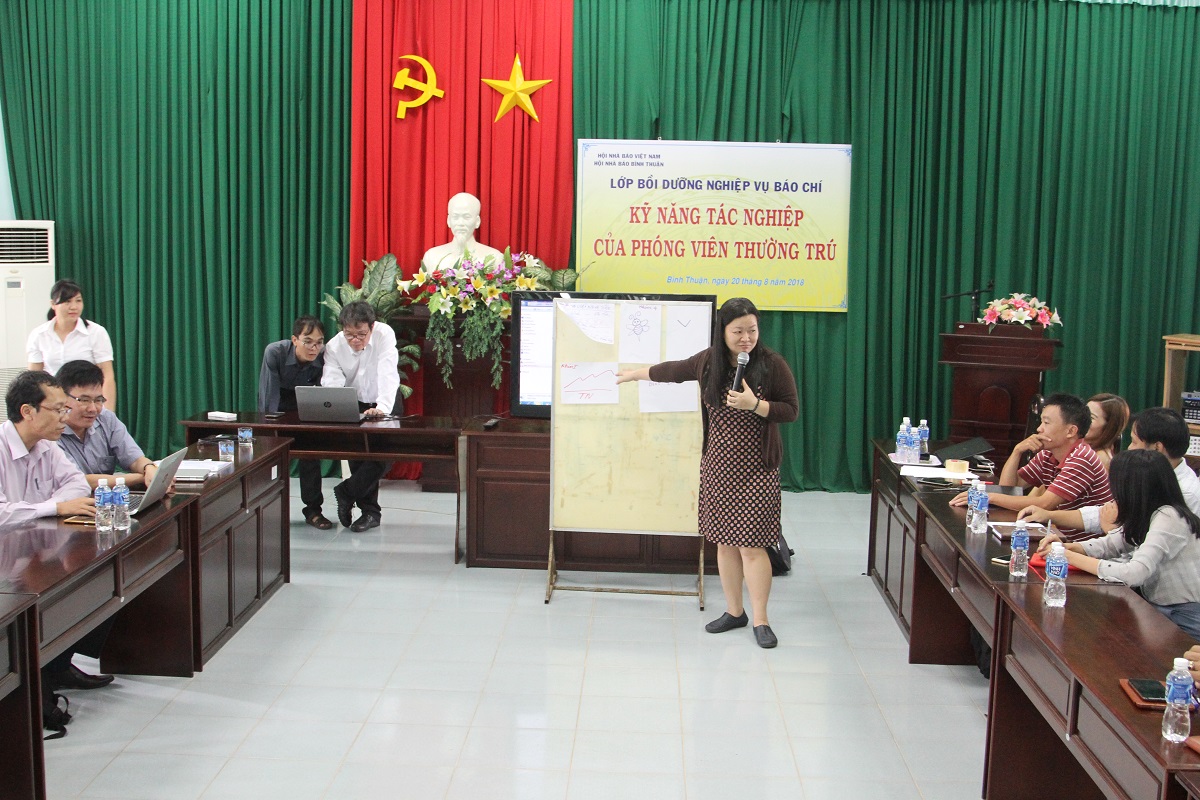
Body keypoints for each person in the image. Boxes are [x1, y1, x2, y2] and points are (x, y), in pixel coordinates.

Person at [616, 298, 798, 648]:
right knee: (725, 543)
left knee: (752, 547)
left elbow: (791, 410)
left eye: (752, 330)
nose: (746, 338)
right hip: (717, 468)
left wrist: (756, 405)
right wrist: (635, 374)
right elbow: (673, 371)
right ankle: (734, 611)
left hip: (757, 471)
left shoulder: (772, 365)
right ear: (722, 331)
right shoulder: (708, 362)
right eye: (738, 331)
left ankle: (761, 619)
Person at [0, 371, 114, 691]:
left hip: (37, 548)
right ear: (28, 411)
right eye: (58, 409)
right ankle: (37, 683)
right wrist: (54, 507)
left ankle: (58, 666)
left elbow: (76, 484)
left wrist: (52, 506)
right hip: (5, 562)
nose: (65, 416)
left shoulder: (47, 446)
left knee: (101, 579)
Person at [1030, 450, 1200, 639]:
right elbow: (1112, 544)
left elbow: (1134, 574)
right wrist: (1071, 547)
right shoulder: (1147, 510)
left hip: (1183, 616)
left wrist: (1068, 556)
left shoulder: (1169, 517)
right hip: (1157, 609)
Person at [950, 393, 1112, 539]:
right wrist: (1017, 451)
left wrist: (988, 497)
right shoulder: (1047, 453)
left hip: (1085, 545)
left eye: (1046, 423)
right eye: (1041, 421)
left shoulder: (1082, 458)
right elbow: (1008, 489)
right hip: (1059, 537)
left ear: (1071, 431)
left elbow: (1044, 504)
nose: (1039, 429)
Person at [1021, 406, 1200, 536]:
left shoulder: (1184, 493)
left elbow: (1137, 546)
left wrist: (1106, 535)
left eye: (1134, 442)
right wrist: (1049, 515)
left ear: (1157, 448)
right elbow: (1106, 514)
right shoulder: (1149, 475)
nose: (1129, 449)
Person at [321, 301, 401, 532]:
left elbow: (388, 372)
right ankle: (370, 513)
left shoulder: (384, 334)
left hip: (385, 398)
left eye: (361, 334)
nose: (355, 340)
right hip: (354, 401)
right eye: (349, 335)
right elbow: (332, 382)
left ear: (372, 327)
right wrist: (339, 408)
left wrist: (382, 407)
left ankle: (346, 492)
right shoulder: (334, 346)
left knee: (386, 454)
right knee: (358, 458)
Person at [258, 315, 331, 529]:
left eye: (319, 342)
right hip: (278, 406)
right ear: (294, 339)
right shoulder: (275, 352)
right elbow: (269, 395)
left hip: (306, 407)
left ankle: (313, 511)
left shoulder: (325, 356)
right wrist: (270, 429)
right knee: (271, 460)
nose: (314, 348)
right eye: (308, 341)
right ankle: (267, 513)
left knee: (311, 455)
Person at [55, 360, 159, 489]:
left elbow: (135, 459)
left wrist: (148, 468)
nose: (93, 409)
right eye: (84, 400)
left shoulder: (106, 419)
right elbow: (78, 480)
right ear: (62, 397)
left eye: (98, 400)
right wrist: (143, 477)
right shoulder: (51, 432)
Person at [26, 279, 116, 411]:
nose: (74, 307)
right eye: (67, 301)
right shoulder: (39, 335)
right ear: (53, 304)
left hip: (86, 403)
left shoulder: (96, 332)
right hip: (53, 404)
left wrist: (107, 413)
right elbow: (34, 378)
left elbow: (107, 376)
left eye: (78, 301)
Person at [421, 192, 505, 272]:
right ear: (448, 220)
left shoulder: (494, 258)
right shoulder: (432, 257)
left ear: (477, 221)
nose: (460, 223)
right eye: (455, 217)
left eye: (466, 217)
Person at [1085, 393, 1129, 470]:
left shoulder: (1099, 458)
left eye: (1091, 417)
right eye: (1083, 413)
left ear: (1109, 426)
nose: (1082, 419)